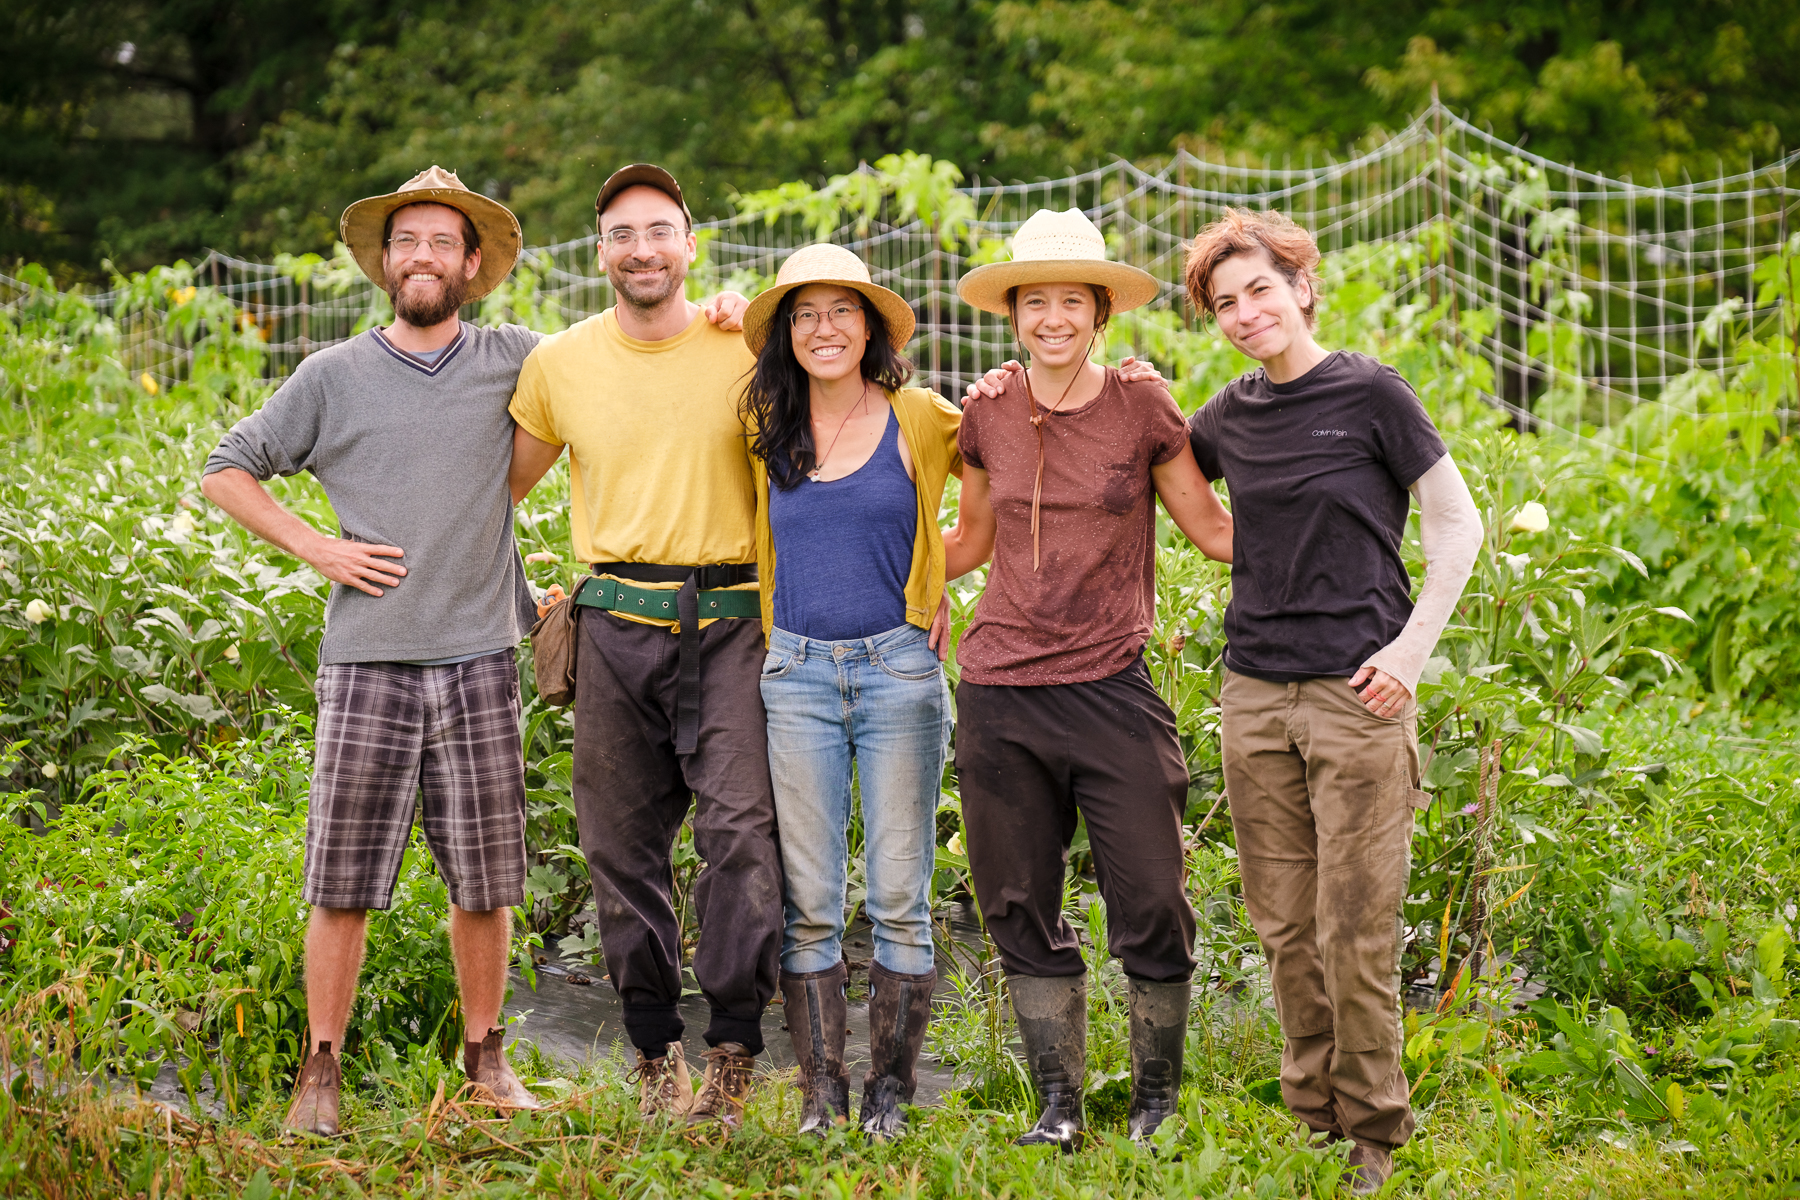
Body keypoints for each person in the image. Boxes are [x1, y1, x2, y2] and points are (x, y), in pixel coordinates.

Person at [201, 167, 544, 1136]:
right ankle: (322, 1070)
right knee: (341, 879)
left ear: (472, 265)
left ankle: (485, 1059)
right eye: (407, 242)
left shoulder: (517, 357)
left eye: (443, 243)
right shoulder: (331, 377)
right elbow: (227, 469)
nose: (423, 257)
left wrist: (727, 312)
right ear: (384, 263)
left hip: (480, 653)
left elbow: (614, 368)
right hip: (367, 664)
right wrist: (317, 546)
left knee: (486, 878)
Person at [1182, 208, 1482, 1195]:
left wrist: (1411, 650)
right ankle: (1313, 1115)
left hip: (1360, 696)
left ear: (1303, 286)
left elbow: (1456, 526)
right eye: (1224, 302)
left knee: (1353, 922)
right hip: (1256, 693)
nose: (1244, 312)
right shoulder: (1227, 416)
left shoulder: (1370, 394)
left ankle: (1377, 1135)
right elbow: (1163, 477)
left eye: (1260, 288)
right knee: (1283, 922)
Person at [945, 208, 1235, 1150]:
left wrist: (1337, 528)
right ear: (1015, 312)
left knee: (1151, 897)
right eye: (1037, 302)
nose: (1054, 318)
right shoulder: (984, 409)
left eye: (1073, 301)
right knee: (1017, 900)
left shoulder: (1144, 405)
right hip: (998, 690)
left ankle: (1154, 1102)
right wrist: (851, 565)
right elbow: (971, 540)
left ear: (1102, 311)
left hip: (1113, 685)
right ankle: (1058, 1108)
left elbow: (1215, 530)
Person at [506, 164, 784, 1131]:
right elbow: (494, 488)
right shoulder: (560, 363)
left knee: (742, 837)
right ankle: (653, 1049)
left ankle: (735, 1049)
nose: (642, 249)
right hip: (613, 626)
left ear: (692, 243)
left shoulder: (746, 348)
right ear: (599, 254)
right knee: (619, 849)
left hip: (735, 624)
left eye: (659, 231)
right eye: (622, 234)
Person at [734, 243, 960, 1138]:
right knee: (811, 897)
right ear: (787, 336)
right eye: (804, 315)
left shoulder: (922, 417)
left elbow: (1021, 431)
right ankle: (822, 1093)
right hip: (795, 674)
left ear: (870, 326)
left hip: (899, 668)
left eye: (841, 311)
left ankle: (891, 1098)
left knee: (900, 892)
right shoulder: (765, 426)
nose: (824, 329)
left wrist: (942, 584)